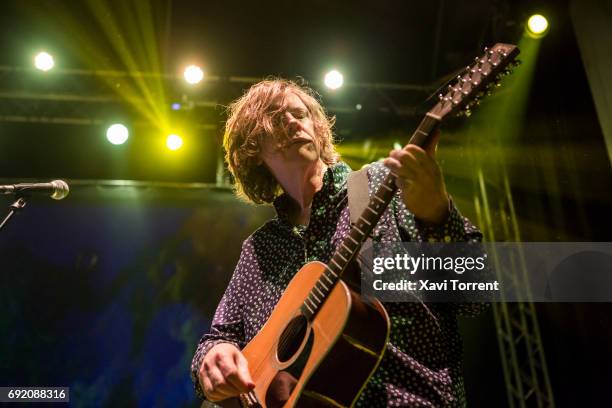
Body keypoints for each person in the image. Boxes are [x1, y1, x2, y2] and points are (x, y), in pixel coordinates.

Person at [190, 78, 483, 407]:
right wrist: (214, 356)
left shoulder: (385, 185)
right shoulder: (260, 249)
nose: (291, 121)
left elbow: (473, 297)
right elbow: (218, 337)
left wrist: (438, 217)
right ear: (253, 148)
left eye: (299, 114)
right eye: (274, 116)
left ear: (316, 128)